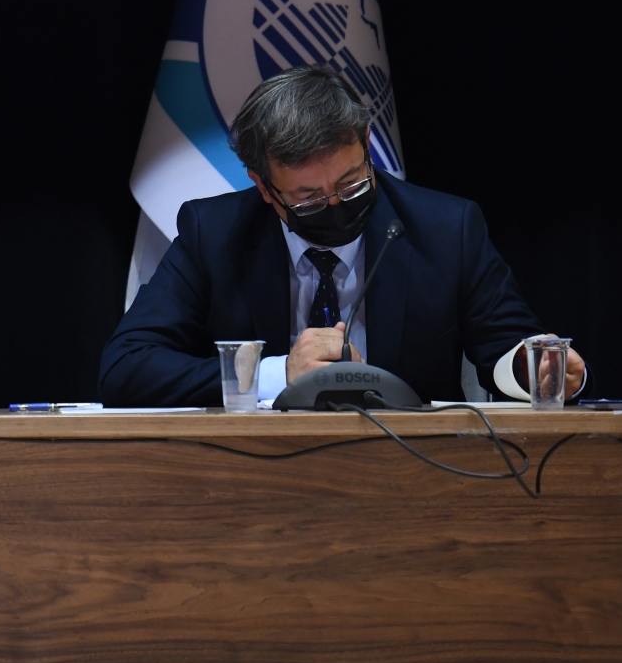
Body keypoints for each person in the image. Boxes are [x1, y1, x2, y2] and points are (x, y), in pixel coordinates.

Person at [101, 65, 585, 408]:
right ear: (264, 188)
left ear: (367, 145)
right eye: (308, 198)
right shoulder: (214, 234)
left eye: (351, 184)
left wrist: (535, 370)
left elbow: (508, 348)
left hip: (415, 474)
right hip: (256, 474)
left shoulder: (446, 229)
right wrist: (276, 374)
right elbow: (126, 368)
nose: (334, 205)